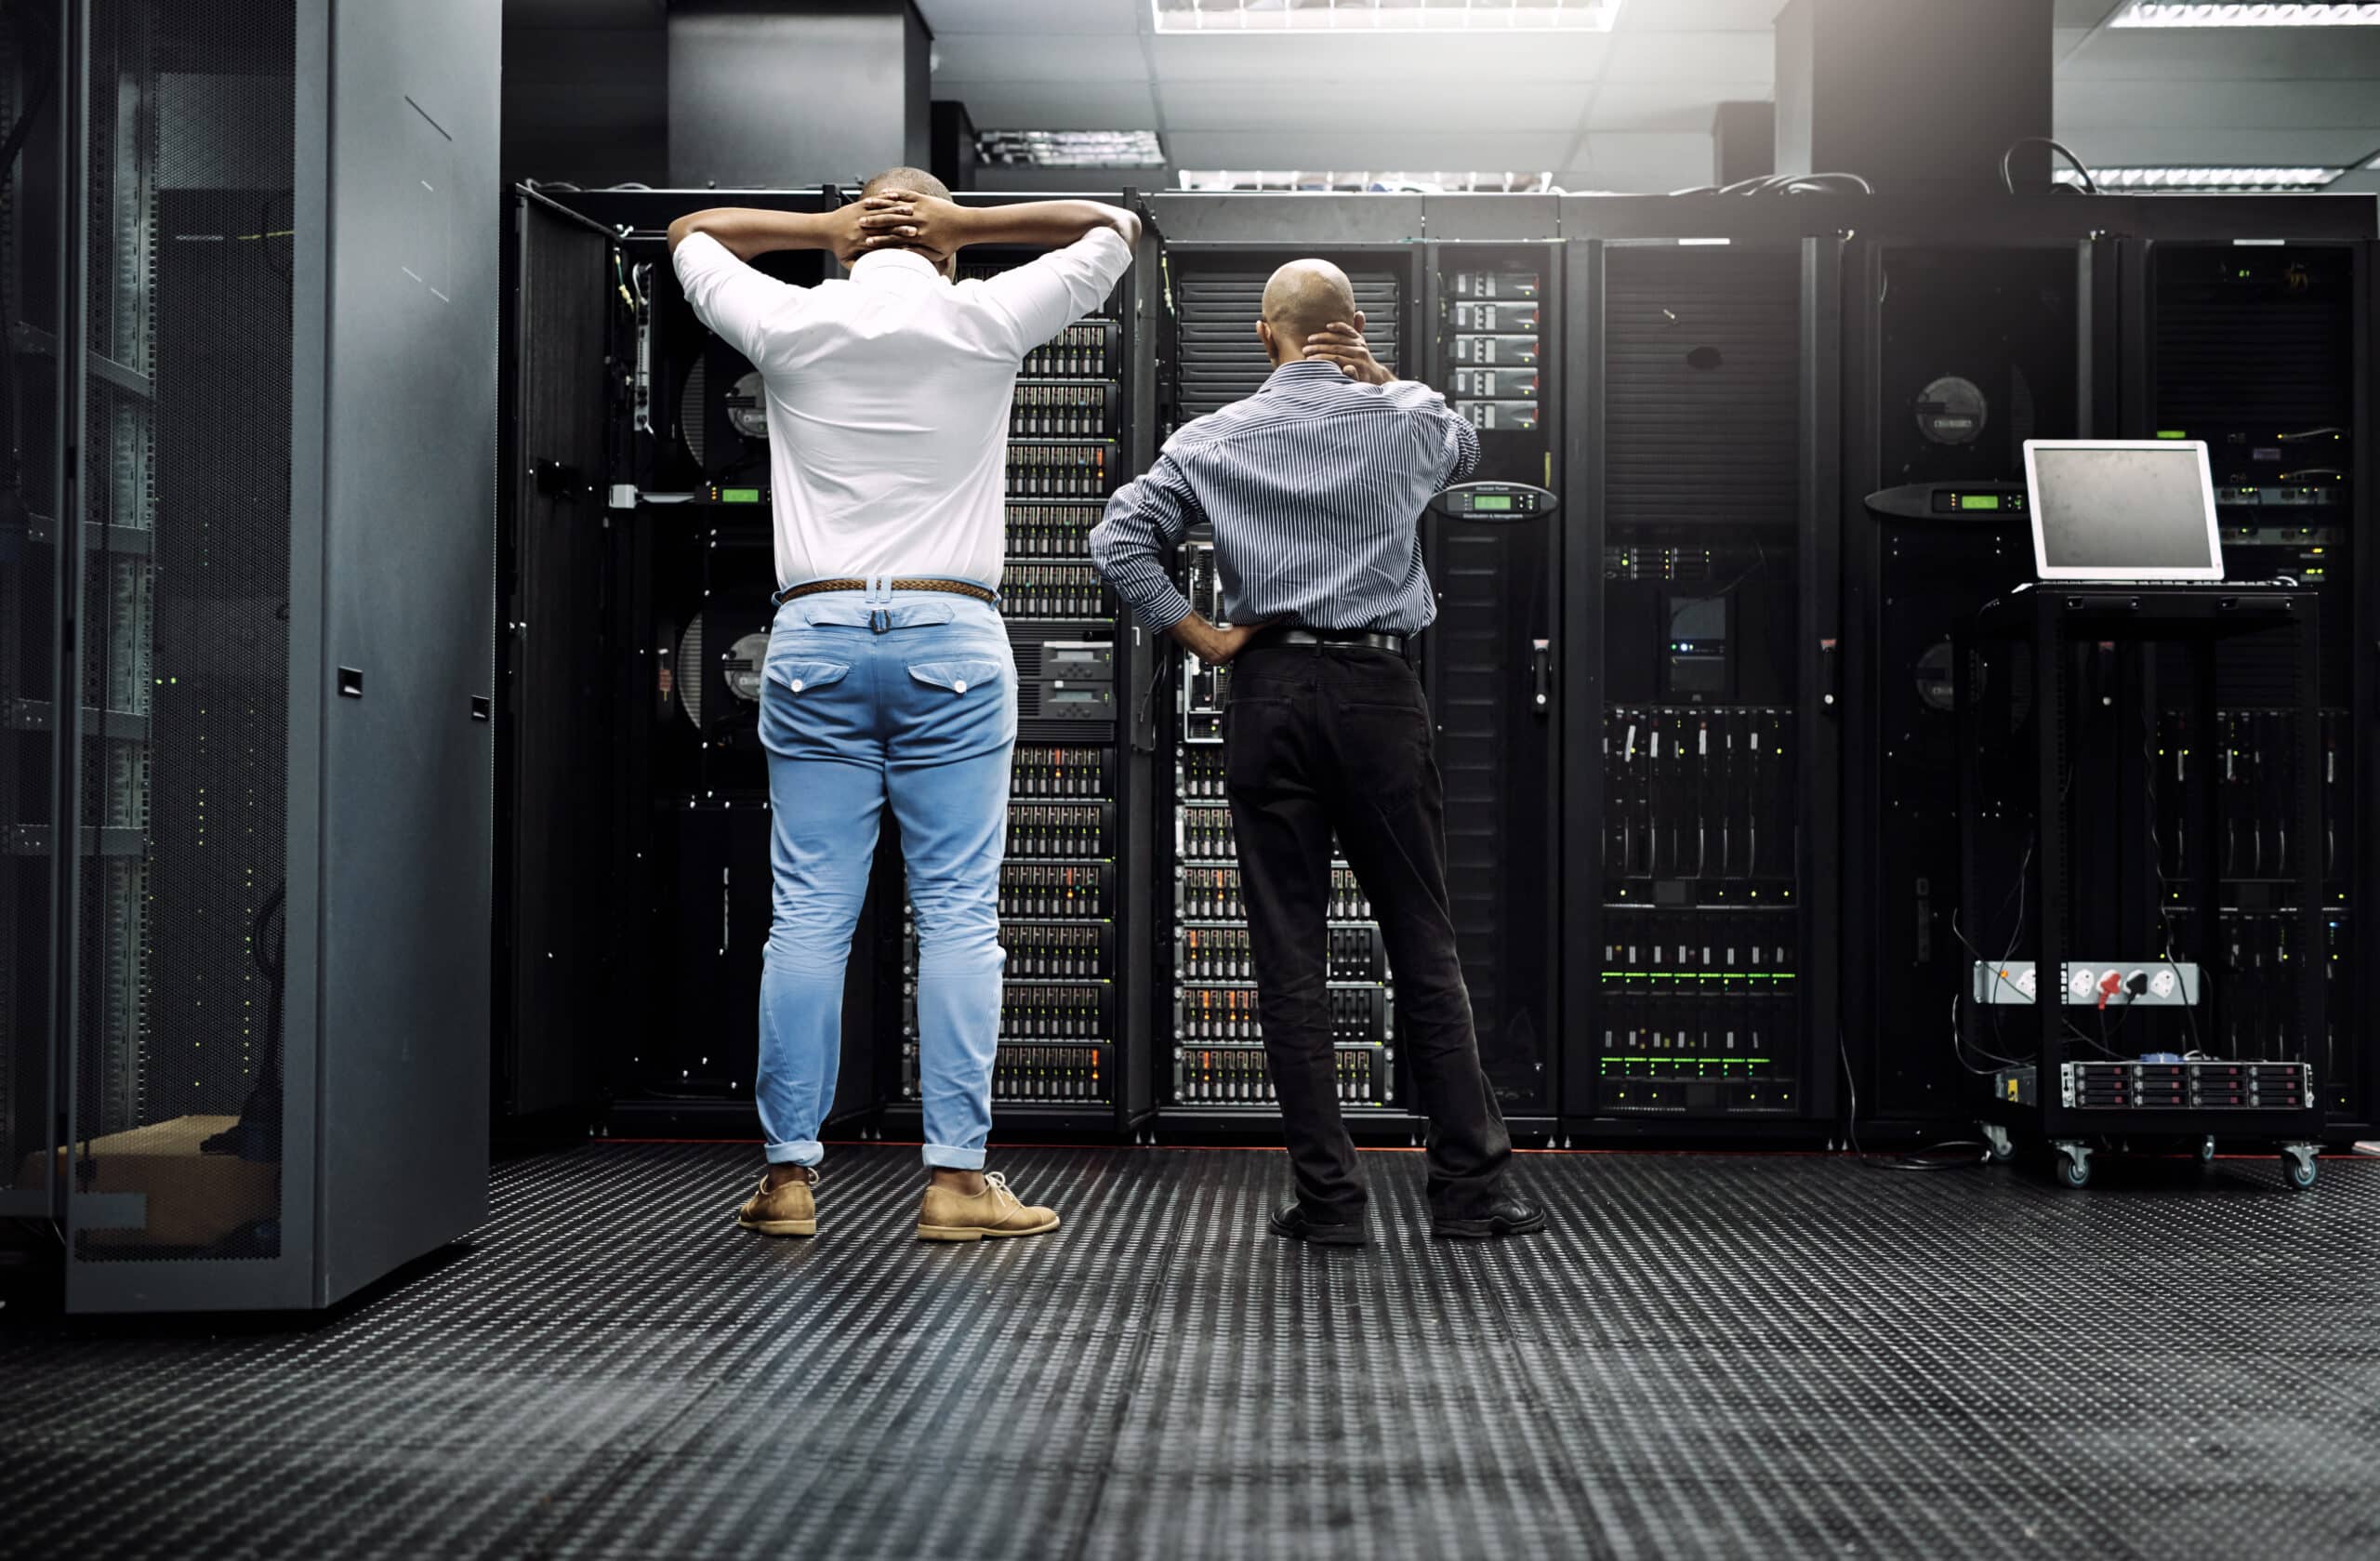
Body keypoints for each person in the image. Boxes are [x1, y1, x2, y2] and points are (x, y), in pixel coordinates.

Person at [668, 170, 1139, 1242]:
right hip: (949, 636)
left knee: (809, 915)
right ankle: (956, 1181)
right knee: (960, 912)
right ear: (949, 249)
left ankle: (788, 1179)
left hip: (814, 637)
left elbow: (690, 230)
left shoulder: (788, 318)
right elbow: (1116, 228)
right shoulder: (981, 313)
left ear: (848, 250)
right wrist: (968, 223)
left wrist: (819, 227)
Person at [1089, 259, 1545, 1246]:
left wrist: (1202, 635)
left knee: (1288, 954)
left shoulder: (1210, 438)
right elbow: (1465, 446)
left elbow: (1117, 540)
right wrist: (1378, 377)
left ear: (1266, 334)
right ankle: (1474, 1192)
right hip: (1379, 692)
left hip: (1268, 693)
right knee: (1421, 938)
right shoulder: (1408, 416)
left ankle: (1330, 1200)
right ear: (1350, 327)